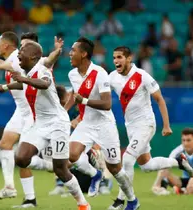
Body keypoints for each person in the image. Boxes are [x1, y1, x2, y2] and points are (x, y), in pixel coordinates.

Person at [0, 31, 62, 204]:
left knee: (21, 156)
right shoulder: (18, 60)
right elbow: (17, 77)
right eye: (21, 45)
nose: (22, 49)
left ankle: (46, 173)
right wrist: (5, 86)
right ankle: (13, 187)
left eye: (25, 46)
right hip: (21, 111)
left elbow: (1, 66)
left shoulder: (23, 61)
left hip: (32, 113)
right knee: (6, 145)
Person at [0, 41, 90, 210]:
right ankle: (48, 165)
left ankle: (82, 203)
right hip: (40, 123)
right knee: (21, 158)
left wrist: (24, 78)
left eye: (22, 51)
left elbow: (44, 83)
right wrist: (5, 86)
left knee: (61, 170)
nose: (18, 54)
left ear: (32, 56)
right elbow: (23, 83)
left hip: (57, 123)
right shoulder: (28, 72)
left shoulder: (42, 70)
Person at [108, 46, 193, 209]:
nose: (116, 61)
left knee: (126, 159)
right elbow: (99, 91)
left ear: (128, 58)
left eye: (119, 57)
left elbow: (160, 99)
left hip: (146, 124)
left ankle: (123, 201)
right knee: (146, 166)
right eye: (114, 58)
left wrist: (166, 125)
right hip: (131, 127)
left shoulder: (142, 76)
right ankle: (178, 161)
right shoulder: (113, 77)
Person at [65, 37, 138, 210]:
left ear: (83, 54)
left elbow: (107, 104)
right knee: (71, 155)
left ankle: (133, 200)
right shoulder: (72, 74)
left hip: (105, 125)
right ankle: (95, 174)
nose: (70, 53)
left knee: (116, 169)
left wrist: (83, 100)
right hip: (86, 123)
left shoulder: (100, 73)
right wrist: (63, 112)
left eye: (73, 50)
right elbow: (74, 97)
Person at [152, 128, 193, 195]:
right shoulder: (177, 151)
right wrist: (156, 184)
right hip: (185, 180)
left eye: (188, 140)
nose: (185, 143)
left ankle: (182, 190)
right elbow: (165, 166)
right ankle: (162, 189)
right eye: (183, 140)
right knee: (166, 171)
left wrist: (192, 181)